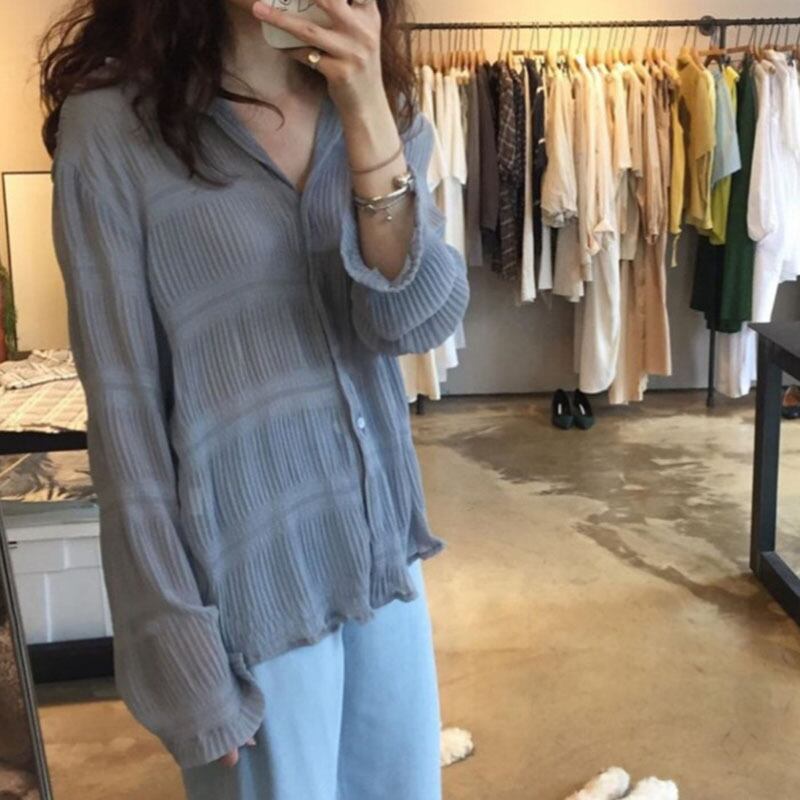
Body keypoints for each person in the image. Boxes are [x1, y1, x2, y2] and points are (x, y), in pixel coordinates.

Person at [38, 0, 470, 797]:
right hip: (247, 592)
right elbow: (125, 419)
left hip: (379, 559)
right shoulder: (113, 129)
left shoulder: (376, 106)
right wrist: (176, 647)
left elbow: (416, 321)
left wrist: (367, 110)